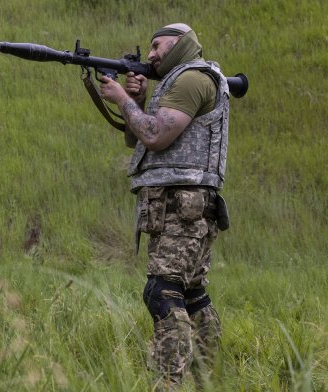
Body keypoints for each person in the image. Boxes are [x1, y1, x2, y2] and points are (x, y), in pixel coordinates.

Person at [98, 23, 230, 389]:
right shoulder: (176, 81)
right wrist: (136, 103)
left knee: (162, 293)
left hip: (182, 207)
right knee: (191, 294)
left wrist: (122, 100)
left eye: (159, 46)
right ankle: (207, 380)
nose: (151, 54)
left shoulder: (191, 80)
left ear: (181, 45)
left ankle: (168, 383)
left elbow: (155, 135)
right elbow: (138, 137)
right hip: (183, 205)